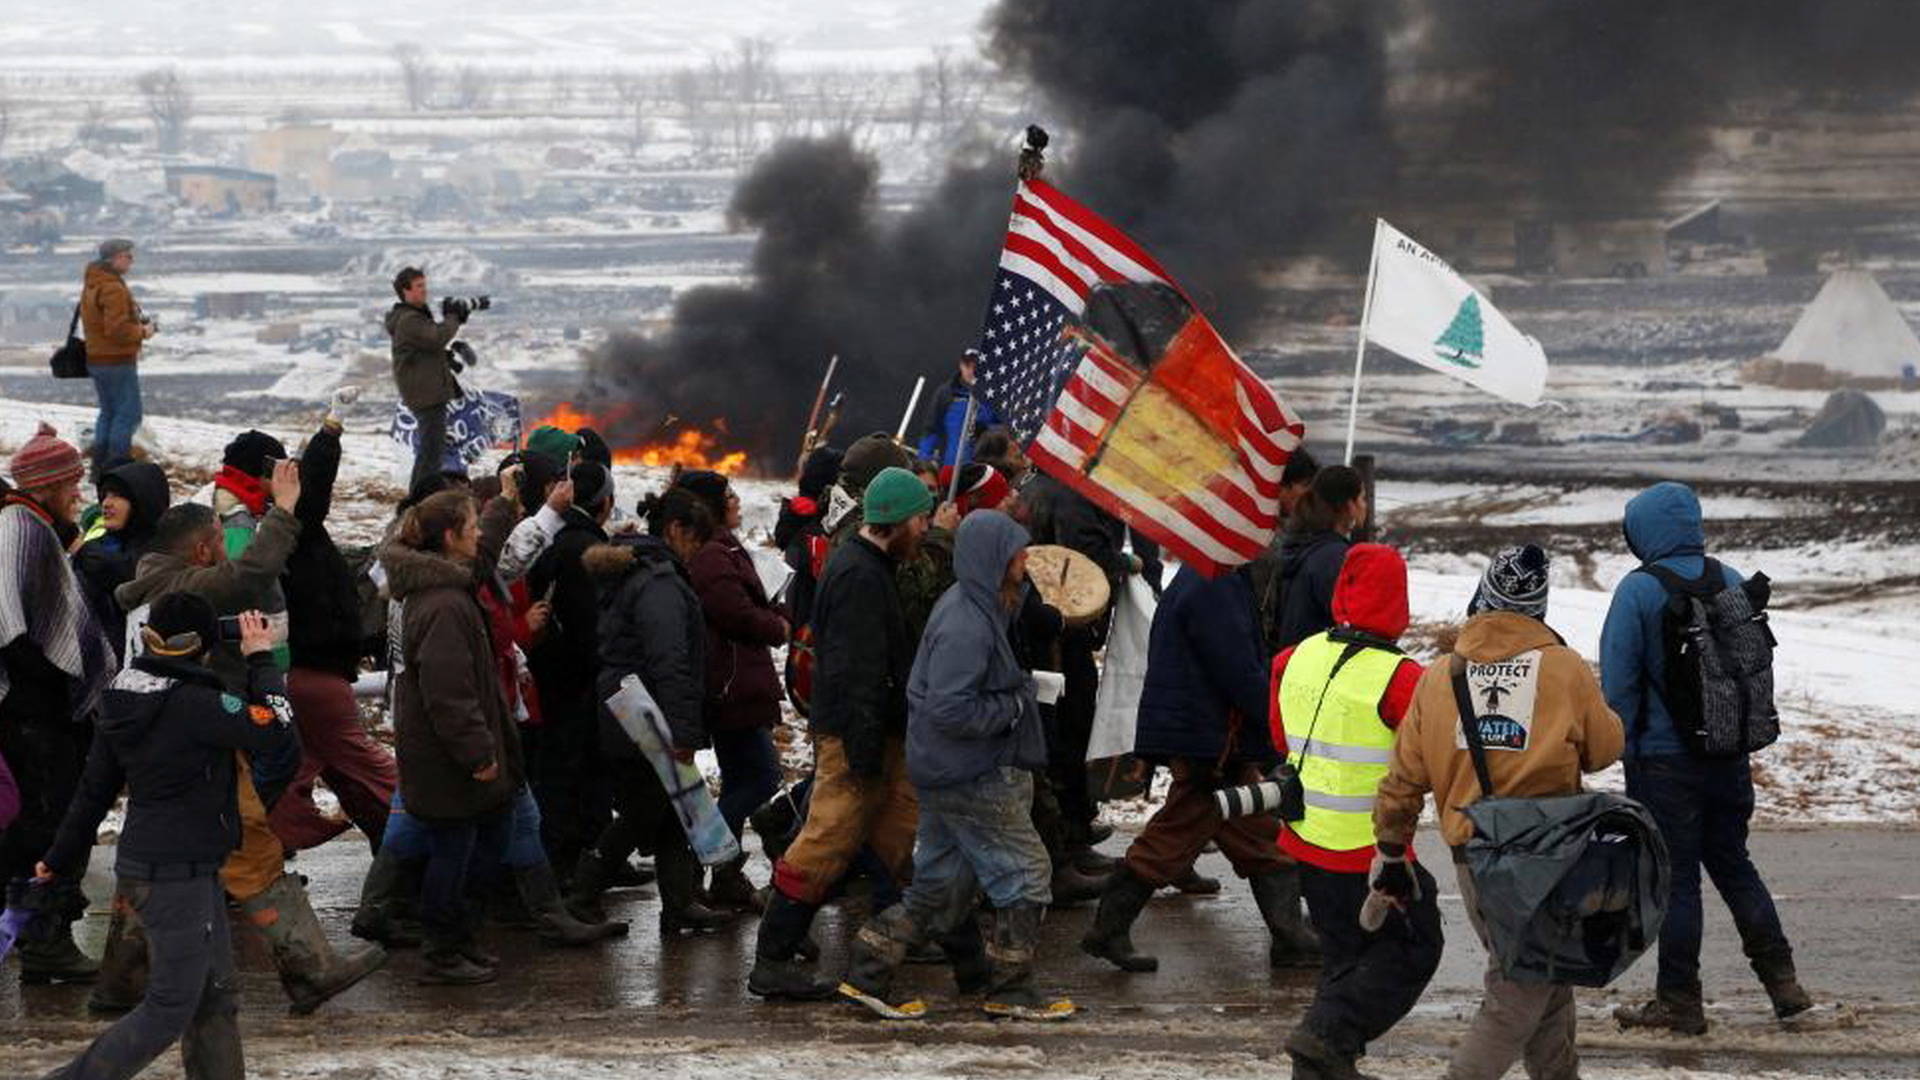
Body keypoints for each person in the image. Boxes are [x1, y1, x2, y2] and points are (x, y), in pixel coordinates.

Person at [113, 470, 385, 1015]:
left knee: (151, 858)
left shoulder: (150, 581)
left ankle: (118, 981)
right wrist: (285, 508)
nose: (221, 546)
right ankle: (310, 970)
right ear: (201, 546)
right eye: (216, 537)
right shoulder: (184, 584)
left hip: (156, 736)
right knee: (253, 848)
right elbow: (255, 568)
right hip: (199, 740)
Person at [1371, 544, 1624, 1080]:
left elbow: (1403, 780)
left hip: (1473, 858)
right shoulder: (1564, 669)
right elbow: (1604, 751)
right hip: (1550, 855)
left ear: (1483, 597)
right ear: (1538, 607)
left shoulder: (1439, 676)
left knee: (1543, 979)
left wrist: (1391, 852)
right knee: (1519, 992)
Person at [36, 602, 291, 1080]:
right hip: (177, 872)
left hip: (160, 865)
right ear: (201, 647)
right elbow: (278, 731)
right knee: (171, 1006)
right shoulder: (198, 705)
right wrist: (261, 659)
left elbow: (95, 789)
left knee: (213, 995)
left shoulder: (123, 694)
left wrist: (58, 856)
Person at [838, 510, 1074, 1021]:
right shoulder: (967, 622)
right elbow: (948, 707)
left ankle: (868, 971)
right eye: (1016, 550)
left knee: (939, 885)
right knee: (1028, 872)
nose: (1025, 558)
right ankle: (1011, 987)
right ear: (992, 557)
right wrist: (1012, 707)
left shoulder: (981, 606)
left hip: (948, 768)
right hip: (966, 770)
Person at [1602, 483, 1812, 1033]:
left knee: (1678, 882)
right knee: (1735, 866)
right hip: (1728, 754)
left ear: (1643, 531)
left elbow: (1618, 686)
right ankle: (1784, 985)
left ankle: (1679, 1001)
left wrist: (1617, 745)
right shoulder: (1731, 580)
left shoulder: (1638, 591)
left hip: (1662, 762)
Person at [1080, 556, 1320, 974]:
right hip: (1209, 741)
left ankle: (1291, 938)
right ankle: (1108, 929)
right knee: (1174, 838)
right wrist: (1278, 717)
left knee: (1256, 833)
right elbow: (1238, 670)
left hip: (1211, 737)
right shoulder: (1214, 584)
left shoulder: (1211, 577)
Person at [749, 467, 931, 1001]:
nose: (925, 528)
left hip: (875, 734)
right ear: (895, 521)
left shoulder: (872, 564)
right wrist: (864, 749)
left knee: (890, 842)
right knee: (824, 843)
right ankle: (772, 960)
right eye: (921, 519)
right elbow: (856, 673)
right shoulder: (858, 576)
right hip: (855, 737)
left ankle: (888, 949)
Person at [1271, 544, 1440, 1080]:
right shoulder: (1402, 677)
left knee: (1344, 957)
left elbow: (1281, 738)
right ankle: (1325, 1039)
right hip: (1373, 851)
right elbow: (1426, 763)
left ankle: (1326, 1063)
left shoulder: (1294, 657)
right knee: (1415, 947)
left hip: (1307, 837)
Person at [572, 487, 733, 937]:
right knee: (647, 808)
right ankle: (582, 894)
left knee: (668, 810)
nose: (698, 552)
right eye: (696, 541)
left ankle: (679, 903)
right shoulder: (659, 582)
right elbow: (670, 661)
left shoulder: (640, 571)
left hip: (632, 710)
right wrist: (683, 731)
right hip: (645, 717)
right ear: (676, 530)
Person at [383, 490, 525, 984]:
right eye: (471, 525)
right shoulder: (444, 603)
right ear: (449, 537)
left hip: (449, 753)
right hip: (447, 757)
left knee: (471, 848)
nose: (478, 534)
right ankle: (442, 952)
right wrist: (477, 752)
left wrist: (504, 504)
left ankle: (459, 941)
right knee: (453, 854)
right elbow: (449, 691)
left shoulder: (450, 584)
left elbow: (483, 558)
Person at [1, 424, 117, 987]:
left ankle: (38, 934)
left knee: (46, 822)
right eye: (71, 482)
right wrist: (52, 686)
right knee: (48, 825)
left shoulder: (41, 526)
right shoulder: (18, 529)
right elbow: (10, 628)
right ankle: (46, 943)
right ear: (46, 485)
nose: (79, 492)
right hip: (33, 714)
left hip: (43, 709)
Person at [269, 412, 398, 854]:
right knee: (369, 770)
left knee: (315, 771)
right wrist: (329, 435)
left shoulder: (291, 535)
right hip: (316, 676)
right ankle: (419, 830)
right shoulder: (292, 532)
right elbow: (316, 487)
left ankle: (264, 847)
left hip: (310, 674)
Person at [676, 470, 787, 910]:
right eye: (729, 496)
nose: (737, 501)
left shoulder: (723, 549)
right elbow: (734, 611)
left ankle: (724, 876)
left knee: (744, 777)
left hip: (739, 683)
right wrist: (774, 624)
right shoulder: (712, 556)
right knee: (762, 776)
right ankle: (705, 857)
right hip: (732, 685)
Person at [526, 462, 616, 873]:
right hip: (575, 683)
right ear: (606, 503)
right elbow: (590, 627)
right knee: (570, 775)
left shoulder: (553, 537)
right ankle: (568, 868)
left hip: (553, 677)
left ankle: (579, 859)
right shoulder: (586, 549)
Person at [72, 460, 170, 661]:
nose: (106, 503)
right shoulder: (100, 544)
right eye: (105, 496)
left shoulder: (164, 550)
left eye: (117, 496)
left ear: (142, 501)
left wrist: (79, 549)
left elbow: (127, 573)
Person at [386, 266, 471, 496]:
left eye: (425, 285)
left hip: (427, 391)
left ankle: (422, 496)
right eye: (419, 286)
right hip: (426, 393)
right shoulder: (409, 320)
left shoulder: (414, 316)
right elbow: (437, 337)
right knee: (430, 452)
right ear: (406, 291)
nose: (425, 291)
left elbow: (431, 345)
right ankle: (420, 498)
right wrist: (453, 318)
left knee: (432, 450)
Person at [1270, 463, 1366, 652]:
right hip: (1319, 665)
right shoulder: (1334, 558)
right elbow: (1349, 624)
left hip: (1294, 661)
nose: (1365, 505)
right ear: (1350, 505)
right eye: (1362, 498)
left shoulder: (1303, 544)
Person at [80, 238, 154, 475]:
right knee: (129, 413)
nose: (131, 261)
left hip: (98, 359)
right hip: (116, 360)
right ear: (113, 259)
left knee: (109, 412)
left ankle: (100, 466)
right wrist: (143, 331)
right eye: (127, 256)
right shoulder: (112, 288)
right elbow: (117, 329)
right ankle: (117, 467)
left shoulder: (93, 282)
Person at [1249, 448, 1320, 651]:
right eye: (1305, 485)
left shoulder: (1280, 532)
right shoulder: (1262, 539)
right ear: (1281, 486)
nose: (1309, 494)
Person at [917, 348, 1003, 470]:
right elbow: (931, 429)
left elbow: (1004, 429)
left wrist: (986, 431)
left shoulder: (993, 396)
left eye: (976, 366)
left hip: (980, 469)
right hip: (948, 467)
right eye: (967, 365)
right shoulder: (946, 393)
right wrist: (924, 462)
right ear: (961, 365)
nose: (971, 370)